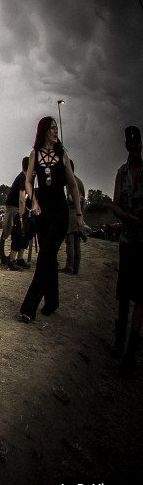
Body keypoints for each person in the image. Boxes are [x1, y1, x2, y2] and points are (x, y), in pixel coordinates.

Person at [18, 117, 84, 322]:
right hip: (42, 214)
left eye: (57, 128)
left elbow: (72, 186)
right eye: (52, 128)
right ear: (44, 131)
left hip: (60, 214)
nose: (56, 131)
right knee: (49, 257)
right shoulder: (35, 154)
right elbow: (28, 182)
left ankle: (28, 308)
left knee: (45, 257)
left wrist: (79, 214)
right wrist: (34, 202)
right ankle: (52, 302)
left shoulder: (63, 155)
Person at [111, 125, 143, 376]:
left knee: (140, 296)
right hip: (127, 241)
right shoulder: (121, 173)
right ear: (126, 147)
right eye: (131, 147)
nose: (134, 150)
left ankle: (132, 347)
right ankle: (120, 339)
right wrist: (126, 217)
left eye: (138, 147)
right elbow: (115, 205)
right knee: (123, 293)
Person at [2, 157, 31, 271]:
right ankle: (12, 261)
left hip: (18, 209)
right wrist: (20, 216)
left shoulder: (24, 178)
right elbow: (21, 199)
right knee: (18, 233)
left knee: (24, 234)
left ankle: (19, 258)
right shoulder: (22, 178)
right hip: (15, 209)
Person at [61, 160, 86, 275]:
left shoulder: (71, 182)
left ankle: (70, 266)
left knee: (70, 242)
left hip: (71, 214)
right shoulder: (79, 181)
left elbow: (72, 198)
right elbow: (82, 201)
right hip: (78, 214)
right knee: (76, 242)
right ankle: (75, 267)